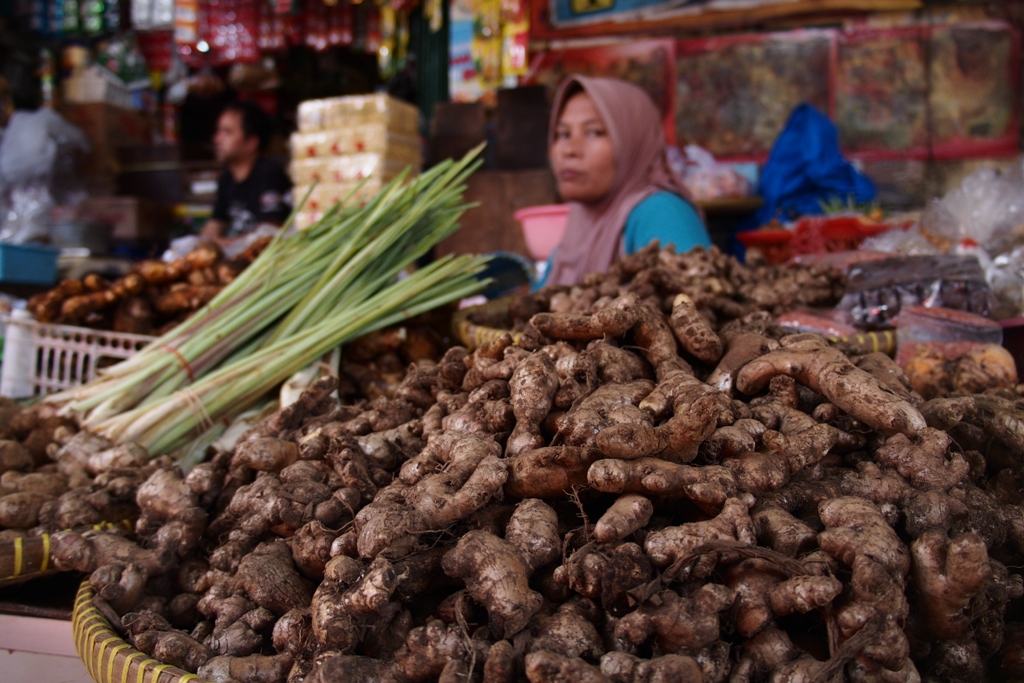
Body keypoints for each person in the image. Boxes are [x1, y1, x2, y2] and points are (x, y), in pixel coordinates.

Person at [538, 75, 710, 287]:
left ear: (632, 141)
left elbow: (693, 305)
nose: (569, 150)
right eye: (563, 134)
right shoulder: (580, 222)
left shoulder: (663, 213)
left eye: (594, 132)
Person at [201, 100, 292, 242]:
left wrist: (225, 244)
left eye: (227, 132)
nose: (217, 139)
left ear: (251, 143)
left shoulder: (269, 173)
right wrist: (201, 244)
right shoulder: (227, 178)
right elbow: (215, 223)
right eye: (218, 131)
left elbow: (271, 229)